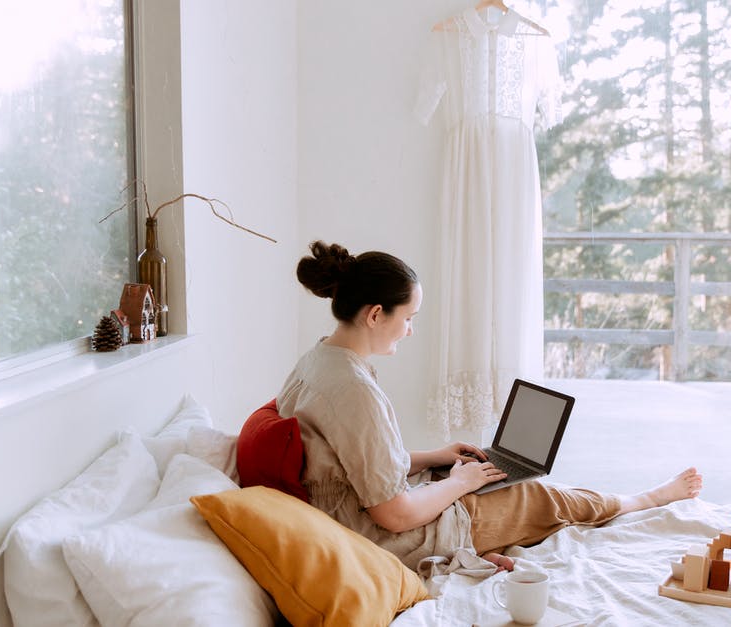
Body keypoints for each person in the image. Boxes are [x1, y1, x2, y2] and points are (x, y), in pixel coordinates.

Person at [276, 240, 703, 573]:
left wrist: (436, 458)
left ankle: (479, 541)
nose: (410, 331)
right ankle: (645, 499)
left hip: (354, 512)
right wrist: (459, 484)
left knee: (476, 476)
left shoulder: (319, 361)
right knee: (539, 495)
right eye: (408, 318)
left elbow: (356, 463)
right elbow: (396, 515)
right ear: (375, 315)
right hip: (382, 537)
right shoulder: (354, 390)